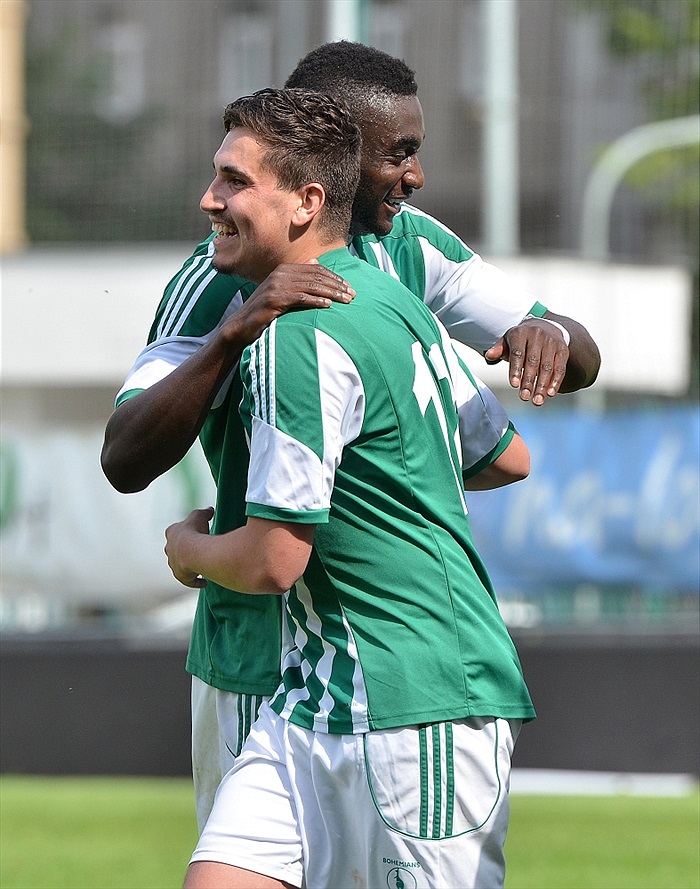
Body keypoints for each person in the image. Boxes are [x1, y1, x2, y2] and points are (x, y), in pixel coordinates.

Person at [101, 42, 599, 830]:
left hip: (379, 662)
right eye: (398, 154)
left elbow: (532, 401)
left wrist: (559, 337)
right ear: (329, 160)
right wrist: (234, 332)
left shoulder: (410, 252)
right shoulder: (214, 281)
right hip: (254, 659)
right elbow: (124, 456)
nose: (416, 175)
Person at [165, 86, 535, 889]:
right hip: (312, 689)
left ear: (306, 202)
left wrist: (188, 547)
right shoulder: (397, 301)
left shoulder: (300, 333)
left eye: (232, 181)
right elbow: (505, 457)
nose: (209, 200)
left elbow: (272, 562)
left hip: (416, 697)